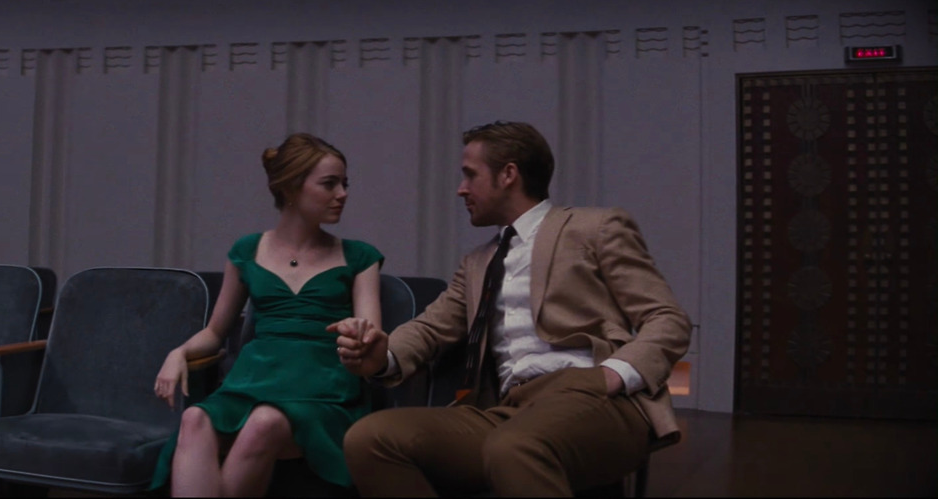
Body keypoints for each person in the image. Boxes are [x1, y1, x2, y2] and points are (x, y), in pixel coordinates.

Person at [328, 121, 690, 496]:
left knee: (514, 447)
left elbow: (667, 319)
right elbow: (430, 329)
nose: (461, 188)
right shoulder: (477, 263)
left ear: (508, 175)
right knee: (370, 438)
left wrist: (614, 374)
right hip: (508, 408)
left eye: (470, 174)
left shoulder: (593, 228)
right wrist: (382, 356)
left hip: (593, 397)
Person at [150, 133, 385, 496]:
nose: (342, 194)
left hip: (322, 390)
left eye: (344, 183)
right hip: (253, 382)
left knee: (264, 422)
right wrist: (177, 353)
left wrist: (358, 332)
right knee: (194, 417)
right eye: (329, 184)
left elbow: (371, 336)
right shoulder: (246, 250)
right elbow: (215, 333)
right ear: (291, 188)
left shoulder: (360, 256)